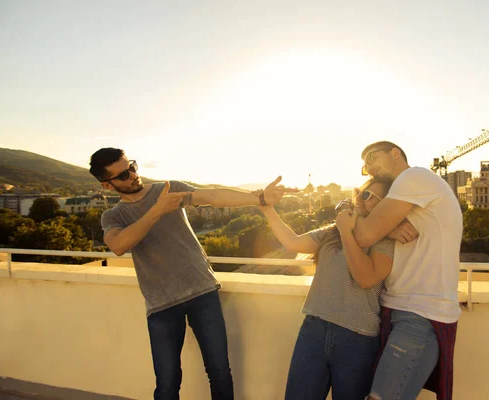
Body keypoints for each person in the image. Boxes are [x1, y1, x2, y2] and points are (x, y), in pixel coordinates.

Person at [88, 147, 289, 400]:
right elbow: (118, 245)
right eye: (123, 175)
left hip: (203, 291)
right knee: (168, 382)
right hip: (161, 305)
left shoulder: (169, 189)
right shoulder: (114, 215)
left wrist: (259, 198)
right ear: (108, 186)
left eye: (132, 167)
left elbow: (213, 196)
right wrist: (157, 210)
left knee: (219, 371)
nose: (133, 175)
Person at [259, 177, 416, 400]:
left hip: (357, 339)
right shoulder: (331, 232)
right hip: (314, 329)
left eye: (370, 197)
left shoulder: (386, 240)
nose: (361, 200)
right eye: (361, 193)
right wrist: (267, 209)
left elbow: (366, 278)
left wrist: (346, 231)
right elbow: (293, 243)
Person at [339, 141, 463, 400]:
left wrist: (372, 225)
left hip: (419, 313)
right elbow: (364, 226)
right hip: (401, 308)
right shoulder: (405, 191)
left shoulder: (413, 176)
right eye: (364, 164)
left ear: (396, 153)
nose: (369, 166)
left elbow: (364, 235)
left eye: (373, 157)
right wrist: (385, 227)